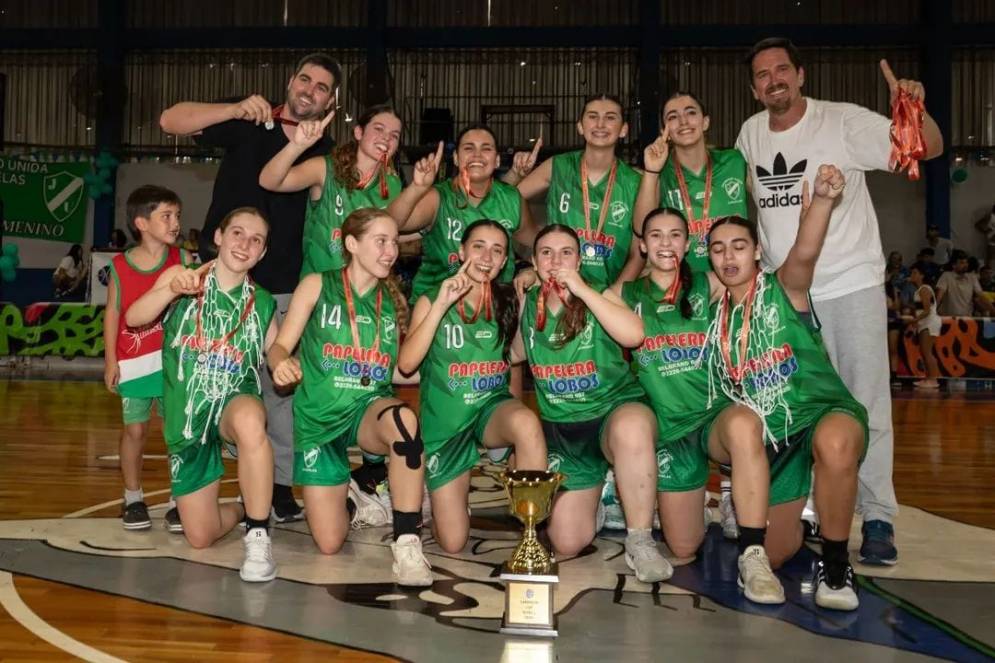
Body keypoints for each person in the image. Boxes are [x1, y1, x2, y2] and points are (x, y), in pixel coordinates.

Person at [735, 37, 944, 567]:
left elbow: (927, 148)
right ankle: (806, 508)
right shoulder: (750, 134)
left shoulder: (843, 121)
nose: (773, 79)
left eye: (782, 69)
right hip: (787, 296)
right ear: (754, 87)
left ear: (801, 75)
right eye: (763, 74)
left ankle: (877, 516)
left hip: (849, 284)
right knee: (795, 409)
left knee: (864, 402)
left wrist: (913, 108)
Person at [159, 52, 343, 523]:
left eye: (322, 86)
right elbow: (169, 119)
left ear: (331, 100)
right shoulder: (250, 119)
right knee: (202, 384)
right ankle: (195, 492)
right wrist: (233, 108)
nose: (310, 90)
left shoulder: (326, 150)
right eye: (305, 79)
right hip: (218, 279)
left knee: (278, 392)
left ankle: (279, 487)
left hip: (280, 284)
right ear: (289, 81)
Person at [705, 165, 867, 611]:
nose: (728, 256)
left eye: (739, 245)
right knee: (777, 550)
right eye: (718, 250)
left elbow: (805, 251)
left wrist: (823, 201)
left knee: (835, 444)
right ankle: (798, 520)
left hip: (818, 411)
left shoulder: (785, 288)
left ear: (757, 251)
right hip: (771, 436)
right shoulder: (713, 315)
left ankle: (835, 566)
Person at [266, 208, 433, 586]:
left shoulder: (393, 301)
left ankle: (407, 544)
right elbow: (279, 347)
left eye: (394, 241)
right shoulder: (317, 284)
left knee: (405, 424)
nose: (391, 250)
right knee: (329, 543)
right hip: (319, 418)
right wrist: (280, 364)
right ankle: (356, 494)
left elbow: (393, 369)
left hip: (366, 409)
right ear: (352, 244)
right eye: (381, 241)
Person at [126, 207, 280, 583]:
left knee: (248, 419)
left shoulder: (262, 302)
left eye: (255, 240)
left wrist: (284, 362)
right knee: (200, 536)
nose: (245, 244)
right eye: (238, 233)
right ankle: (245, 511)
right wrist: (167, 290)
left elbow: (274, 350)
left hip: (232, 404)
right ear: (218, 237)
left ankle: (258, 535)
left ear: (262, 254)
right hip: (187, 420)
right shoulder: (183, 278)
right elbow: (133, 318)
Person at [519, 224, 671, 582]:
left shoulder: (597, 292)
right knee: (568, 541)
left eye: (566, 252)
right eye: (546, 253)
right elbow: (514, 352)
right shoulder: (528, 301)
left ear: (579, 258)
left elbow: (634, 335)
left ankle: (640, 539)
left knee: (632, 427)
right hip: (565, 429)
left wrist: (582, 289)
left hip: (611, 413)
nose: (556, 261)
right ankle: (603, 496)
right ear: (534, 261)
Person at [398, 220, 547, 553]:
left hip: (489, 409)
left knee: (527, 423)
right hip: (446, 423)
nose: (486, 256)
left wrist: (524, 308)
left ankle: (531, 536)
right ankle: (439, 498)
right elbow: (406, 364)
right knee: (453, 542)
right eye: (478, 246)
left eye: (497, 250)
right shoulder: (433, 297)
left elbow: (516, 355)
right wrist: (441, 305)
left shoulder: (505, 297)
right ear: (462, 251)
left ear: (505, 259)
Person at [613, 207, 728, 561]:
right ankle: (664, 502)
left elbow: (760, 279)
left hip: (710, 416)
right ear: (643, 246)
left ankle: (733, 497)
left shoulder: (709, 282)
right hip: (666, 425)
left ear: (688, 243)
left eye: (675, 235)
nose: (666, 243)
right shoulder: (626, 293)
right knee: (683, 546)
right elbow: (583, 300)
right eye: (656, 235)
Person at [258, 104, 444, 277]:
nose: (387, 138)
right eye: (379, 129)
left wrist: (418, 191)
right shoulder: (325, 168)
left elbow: (390, 228)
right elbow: (269, 181)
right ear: (358, 132)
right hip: (320, 290)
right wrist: (297, 146)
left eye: (394, 135)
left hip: (365, 293)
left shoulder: (392, 183)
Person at [104, 185, 189, 532]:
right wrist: (110, 360)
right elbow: (112, 312)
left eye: (177, 216)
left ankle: (177, 501)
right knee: (135, 430)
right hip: (135, 360)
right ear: (141, 222)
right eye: (166, 216)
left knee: (175, 434)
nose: (175, 223)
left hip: (173, 363)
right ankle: (133, 497)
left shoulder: (183, 261)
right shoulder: (120, 265)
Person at [509, 94, 644, 293]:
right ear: (580, 126)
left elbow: (639, 251)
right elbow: (506, 200)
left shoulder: (636, 182)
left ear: (623, 129)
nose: (600, 124)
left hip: (610, 293)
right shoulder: (558, 166)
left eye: (610, 117)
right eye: (592, 116)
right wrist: (536, 238)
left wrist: (616, 293)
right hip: (557, 289)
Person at [395, 124, 540, 303]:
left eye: (486, 149)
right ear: (456, 158)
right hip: (437, 310)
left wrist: (532, 270)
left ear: (497, 160)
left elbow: (539, 242)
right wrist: (416, 188)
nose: (477, 155)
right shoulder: (438, 197)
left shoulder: (511, 199)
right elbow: (393, 224)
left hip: (495, 310)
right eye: (468, 148)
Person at [634, 91, 749, 274]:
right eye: (673, 116)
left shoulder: (734, 161)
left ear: (705, 122)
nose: (683, 121)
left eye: (691, 113)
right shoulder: (661, 171)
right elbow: (641, 227)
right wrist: (652, 170)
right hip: (682, 284)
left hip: (734, 278)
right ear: (666, 131)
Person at [908, 265, 941, 390]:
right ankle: (929, 378)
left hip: (929, 322)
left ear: (922, 275)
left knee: (927, 352)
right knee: (925, 351)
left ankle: (933, 379)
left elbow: (927, 310)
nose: (912, 274)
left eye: (915, 272)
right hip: (925, 322)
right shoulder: (919, 290)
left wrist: (914, 320)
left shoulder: (924, 289)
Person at [936, 250, 995, 317]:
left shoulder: (972, 278)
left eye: (966, 262)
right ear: (954, 265)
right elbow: (939, 296)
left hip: (966, 318)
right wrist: (933, 312)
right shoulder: (946, 276)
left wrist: (993, 310)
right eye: (961, 263)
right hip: (948, 318)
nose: (965, 265)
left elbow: (981, 296)